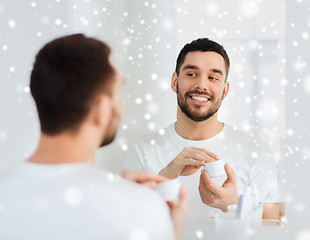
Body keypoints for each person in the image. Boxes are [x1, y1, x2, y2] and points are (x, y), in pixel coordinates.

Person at [0, 34, 188, 240]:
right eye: (117, 92)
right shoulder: (141, 210)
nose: (121, 104)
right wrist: (169, 230)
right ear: (101, 109)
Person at [124, 38, 281, 239]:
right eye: (191, 74)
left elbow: (276, 223)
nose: (201, 85)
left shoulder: (256, 151)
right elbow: (128, 223)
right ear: (175, 81)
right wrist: (165, 178)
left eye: (213, 78)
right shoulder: (143, 148)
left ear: (225, 90)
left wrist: (233, 207)